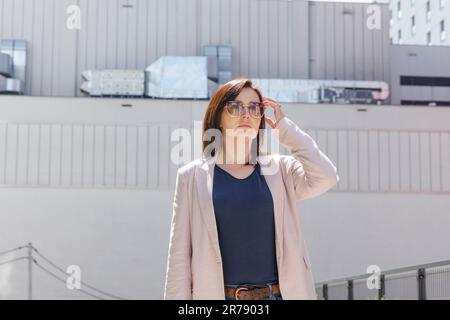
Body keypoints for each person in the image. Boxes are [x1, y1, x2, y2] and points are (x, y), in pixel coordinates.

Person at [164, 78, 339, 300]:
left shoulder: (281, 170)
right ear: (218, 116)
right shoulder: (192, 177)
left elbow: (326, 177)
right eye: (235, 107)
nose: (246, 114)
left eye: (254, 108)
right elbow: (179, 259)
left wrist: (286, 129)